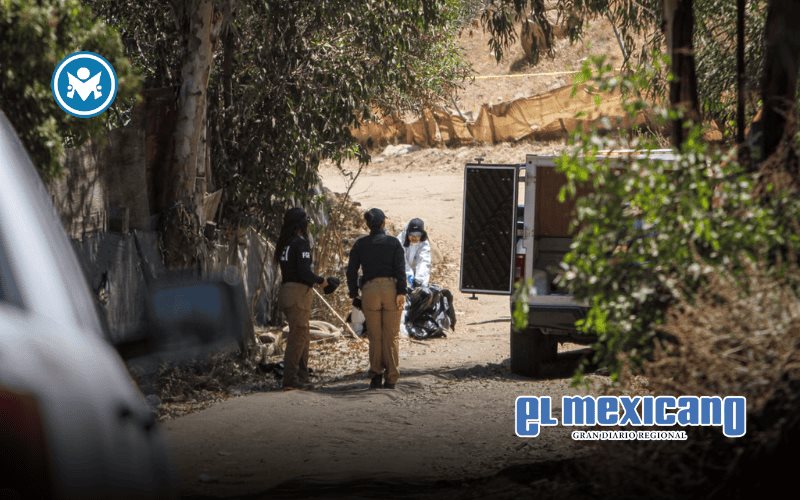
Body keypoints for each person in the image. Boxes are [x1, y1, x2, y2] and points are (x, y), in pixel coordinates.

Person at [346, 208, 407, 389]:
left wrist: (353, 293)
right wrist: (401, 292)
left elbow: (351, 271)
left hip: (370, 291)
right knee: (391, 335)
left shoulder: (360, 244)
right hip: (391, 290)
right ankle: (391, 377)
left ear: (368, 225)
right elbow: (400, 270)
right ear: (383, 223)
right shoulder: (394, 243)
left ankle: (375, 375)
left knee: (374, 335)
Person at [275, 207, 328, 390]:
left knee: (303, 334)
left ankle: (302, 375)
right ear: (300, 223)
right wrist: (322, 281)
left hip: (286, 291)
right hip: (298, 293)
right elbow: (304, 272)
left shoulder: (285, 243)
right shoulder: (300, 243)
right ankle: (290, 380)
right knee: (298, 336)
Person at [397, 218, 432, 288]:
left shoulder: (424, 243)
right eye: (412, 234)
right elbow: (401, 261)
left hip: (418, 272)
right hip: (402, 270)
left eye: (418, 234)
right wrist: (410, 276)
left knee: (422, 288)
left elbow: (424, 261)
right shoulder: (400, 240)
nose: (414, 237)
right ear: (408, 233)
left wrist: (419, 278)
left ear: (422, 234)